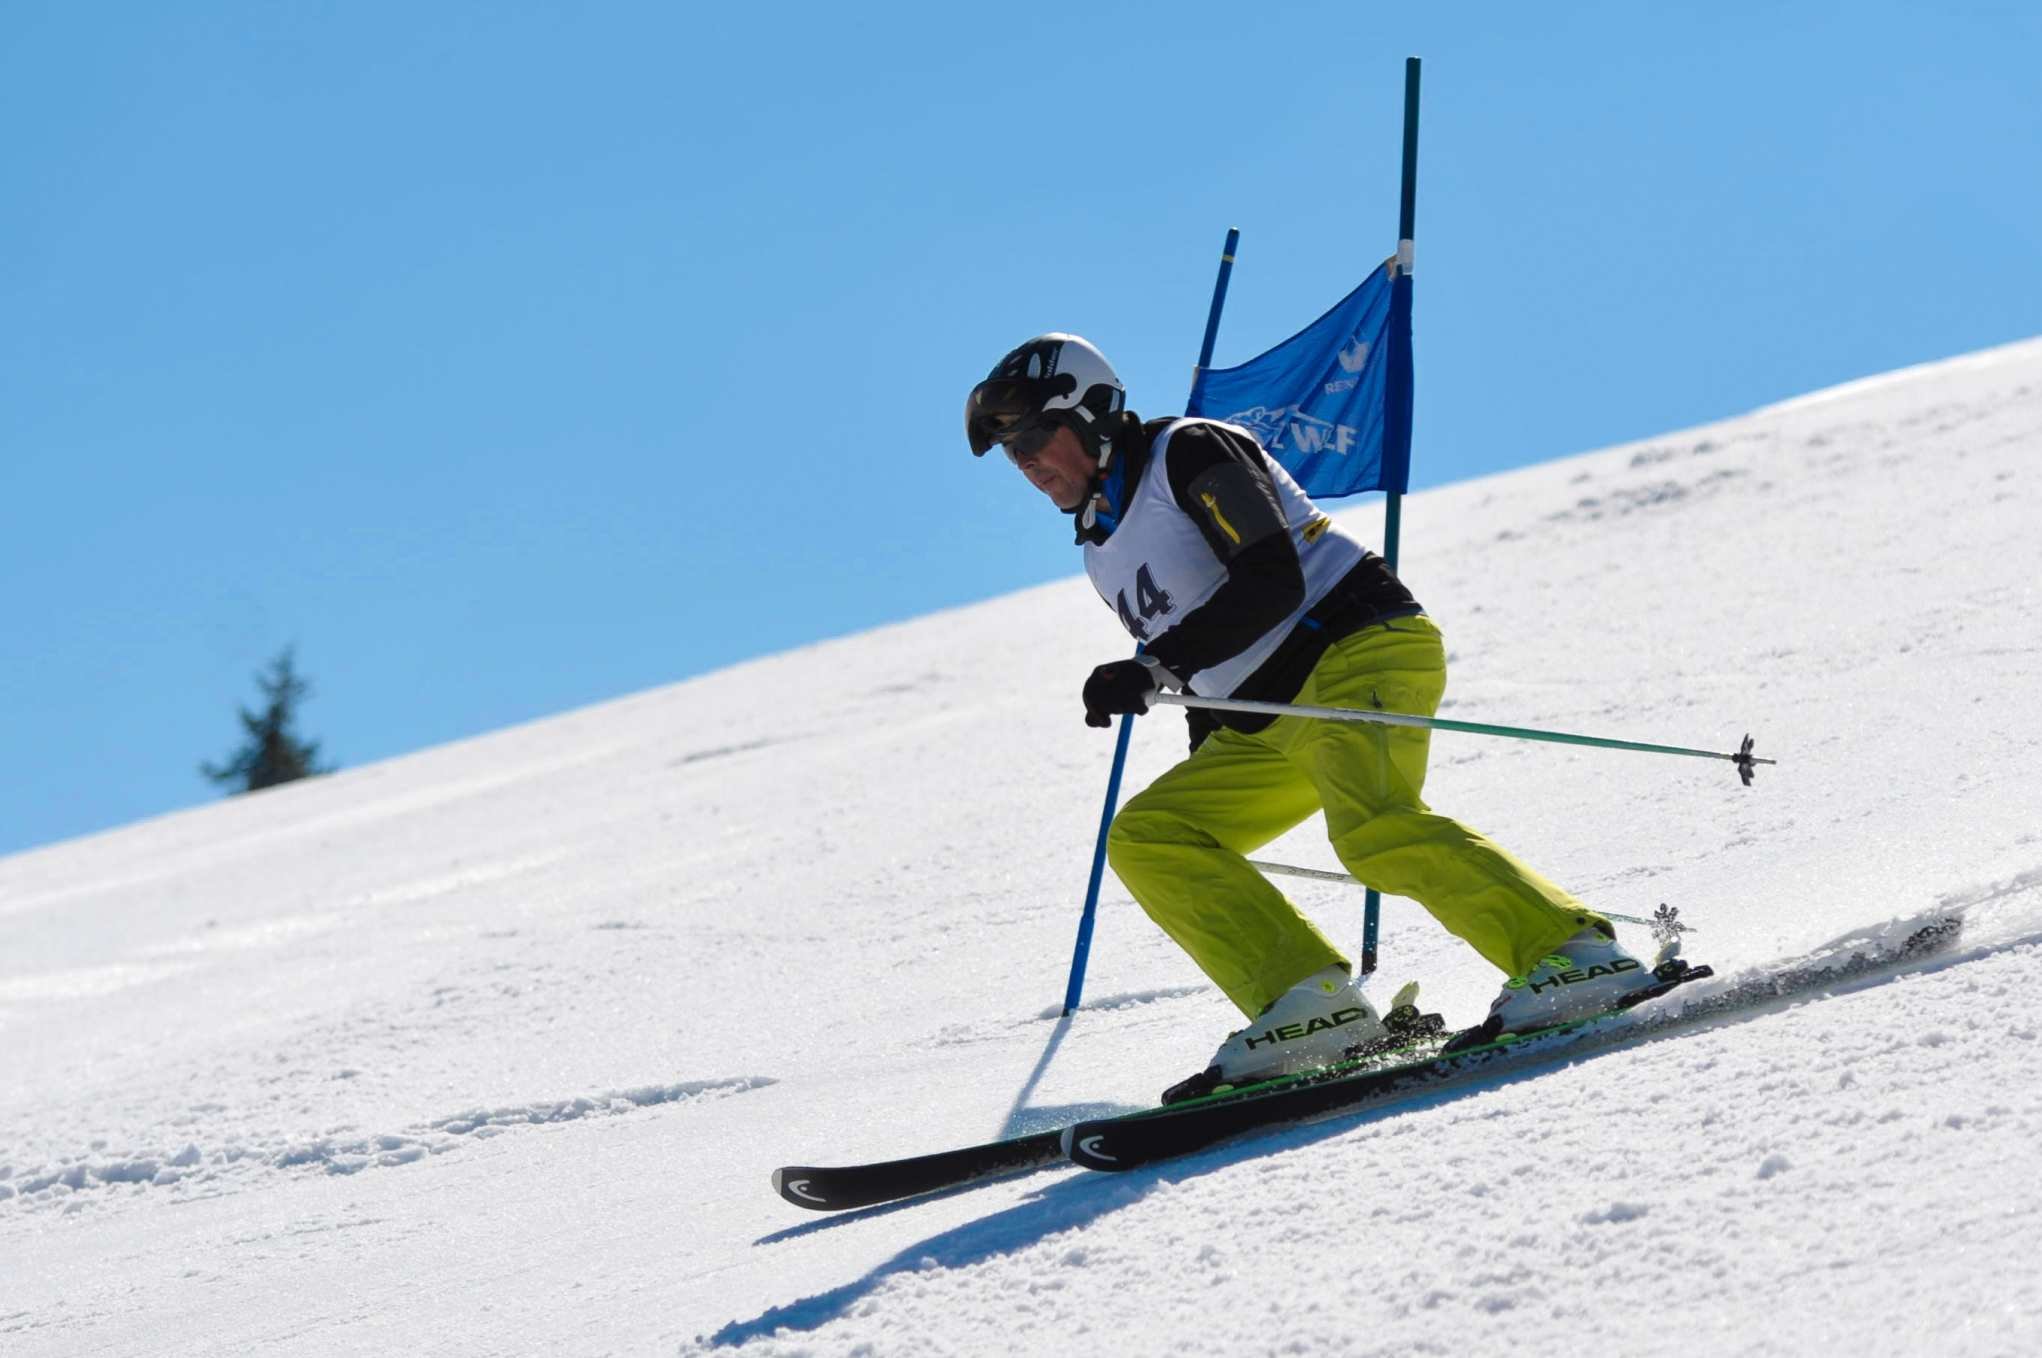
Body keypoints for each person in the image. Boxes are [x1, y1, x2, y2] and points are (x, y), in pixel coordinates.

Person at [966, 333, 1663, 1097]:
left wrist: (1152, 666)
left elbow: (1271, 578)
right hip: (1265, 717)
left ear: (1093, 415)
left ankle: (1575, 956)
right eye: (1010, 451)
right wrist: (1183, 705)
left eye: (1034, 437)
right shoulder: (1100, 549)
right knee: (1155, 834)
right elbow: (1202, 672)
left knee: (1372, 828)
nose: (1025, 462)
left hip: (1355, 651)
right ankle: (1313, 1006)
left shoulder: (1188, 452)